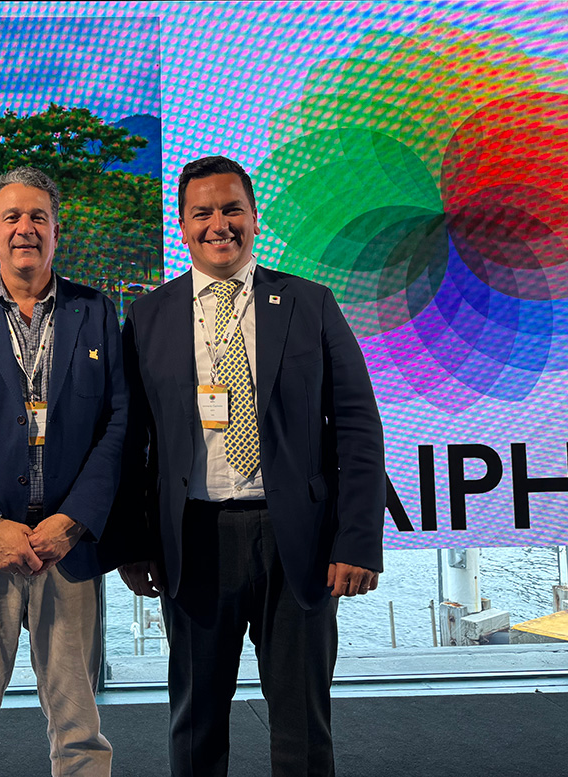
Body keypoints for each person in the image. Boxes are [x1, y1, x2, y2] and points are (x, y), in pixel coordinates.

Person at [117, 156, 385, 777]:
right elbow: (135, 444)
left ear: (255, 218)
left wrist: (358, 540)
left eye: (232, 208)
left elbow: (357, 429)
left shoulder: (310, 304)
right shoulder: (149, 315)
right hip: (193, 541)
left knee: (302, 726)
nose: (219, 224)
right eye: (203, 212)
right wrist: (134, 542)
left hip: (298, 542)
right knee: (195, 724)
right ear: (181, 226)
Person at [0, 167, 129, 777]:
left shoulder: (95, 310)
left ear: (57, 232)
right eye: (12, 217)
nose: (25, 228)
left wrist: (75, 521)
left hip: (68, 547)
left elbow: (118, 425)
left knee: (81, 731)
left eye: (38, 217)